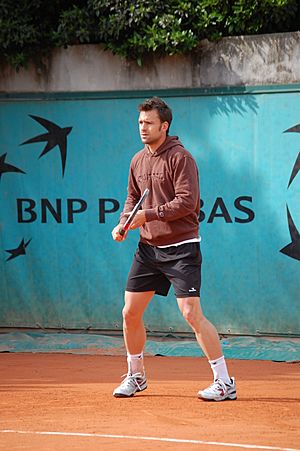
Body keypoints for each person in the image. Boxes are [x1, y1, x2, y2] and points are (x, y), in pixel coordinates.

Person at [111, 96, 236, 401]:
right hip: (148, 248)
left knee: (191, 313)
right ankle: (136, 375)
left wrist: (147, 215)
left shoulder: (181, 158)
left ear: (164, 126)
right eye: (140, 122)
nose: (143, 127)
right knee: (129, 313)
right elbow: (132, 197)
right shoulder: (137, 160)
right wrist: (125, 221)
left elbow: (187, 202)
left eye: (149, 122)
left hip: (181, 247)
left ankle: (224, 382)